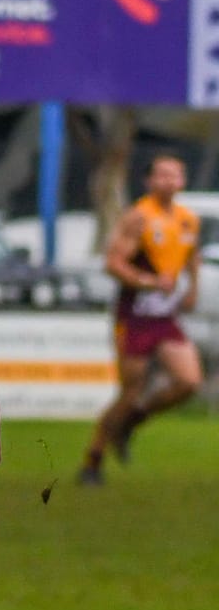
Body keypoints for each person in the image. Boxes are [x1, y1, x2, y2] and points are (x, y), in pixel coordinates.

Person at [76, 151, 203, 484]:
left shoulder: (188, 219)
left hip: (165, 317)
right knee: (130, 389)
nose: (169, 181)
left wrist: (192, 289)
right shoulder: (139, 217)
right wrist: (148, 282)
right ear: (149, 181)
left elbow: (191, 255)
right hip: (135, 316)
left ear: (183, 180)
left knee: (189, 381)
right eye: (162, 174)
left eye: (175, 174)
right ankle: (93, 459)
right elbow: (113, 263)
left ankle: (132, 421)